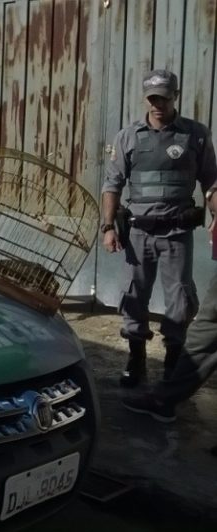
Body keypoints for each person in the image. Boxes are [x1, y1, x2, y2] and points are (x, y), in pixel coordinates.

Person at [101, 69, 217, 388]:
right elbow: (112, 185)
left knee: (180, 298)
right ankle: (136, 358)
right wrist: (108, 227)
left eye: (163, 98)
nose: (157, 105)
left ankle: (172, 359)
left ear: (174, 97)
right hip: (138, 234)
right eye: (152, 98)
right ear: (146, 99)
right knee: (133, 296)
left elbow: (212, 182)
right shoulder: (128, 137)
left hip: (177, 234)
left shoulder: (196, 135)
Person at [122, 194, 217, 422]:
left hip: (176, 231)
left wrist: (212, 197)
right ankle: (162, 393)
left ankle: (164, 396)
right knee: (205, 332)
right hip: (142, 229)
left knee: (205, 330)